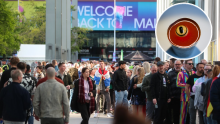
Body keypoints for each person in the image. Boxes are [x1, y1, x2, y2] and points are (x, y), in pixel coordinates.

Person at [176, 59, 195, 124]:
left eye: (192, 64)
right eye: (189, 64)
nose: (191, 65)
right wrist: (187, 85)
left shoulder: (194, 73)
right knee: (183, 114)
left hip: (193, 96)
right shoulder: (180, 73)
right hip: (184, 96)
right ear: (185, 65)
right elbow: (178, 84)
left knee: (192, 114)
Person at [168, 60, 182, 124]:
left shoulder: (184, 73)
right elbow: (168, 86)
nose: (177, 66)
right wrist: (170, 96)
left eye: (179, 64)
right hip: (174, 97)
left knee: (183, 113)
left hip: (183, 97)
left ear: (181, 65)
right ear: (174, 65)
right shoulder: (170, 74)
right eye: (176, 64)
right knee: (175, 114)